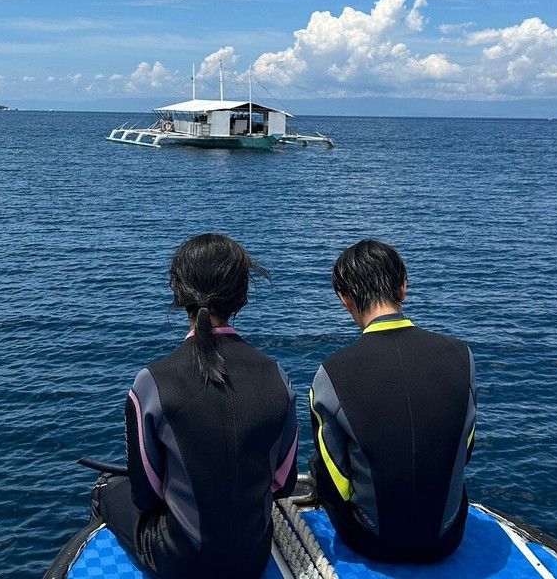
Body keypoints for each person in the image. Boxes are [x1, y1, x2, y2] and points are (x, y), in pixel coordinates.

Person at [94, 233, 298, 579]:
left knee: (105, 488)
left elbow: (147, 496)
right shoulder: (278, 377)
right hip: (253, 557)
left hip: (182, 562)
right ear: (242, 298)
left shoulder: (152, 382)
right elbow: (283, 483)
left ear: (178, 294)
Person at [309, 239, 476, 563]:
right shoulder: (462, 357)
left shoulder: (331, 373)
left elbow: (335, 478)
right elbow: (465, 451)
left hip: (372, 542)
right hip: (446, 538)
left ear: (345, 299)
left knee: (319, 465)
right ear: (403, 288)